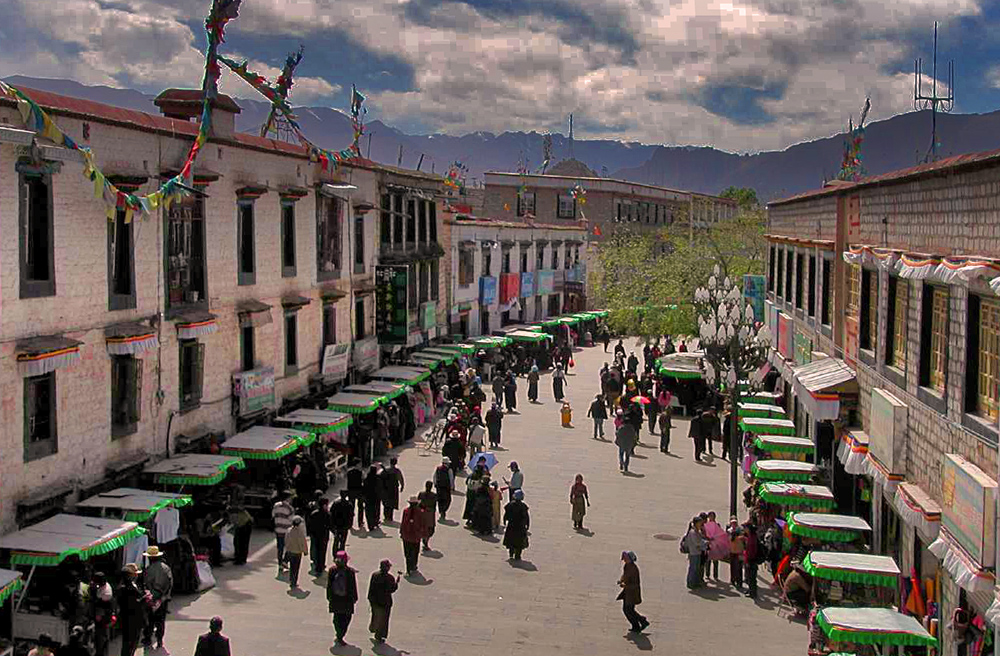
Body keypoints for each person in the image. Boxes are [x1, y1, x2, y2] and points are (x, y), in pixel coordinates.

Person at [141, 545, 173, 651]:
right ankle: (159, 640)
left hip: (151, 599)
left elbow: (146, 585)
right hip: (162, 599)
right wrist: (165, 596)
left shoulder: (148, 570)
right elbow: (170, 583)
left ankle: (148, 638)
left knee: (150, 620)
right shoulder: (166, 568)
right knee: (160, 621)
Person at [327, 551, 359, 646]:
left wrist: (329, 597)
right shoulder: (350, 572)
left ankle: (339, 633)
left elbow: (329, 585)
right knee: (346, 618)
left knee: (337, 618)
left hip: (335, 599)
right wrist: (355, 598)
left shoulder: (332, 570)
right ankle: (341, 635)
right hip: (347, 600)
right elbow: (353, 586)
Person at [368, 560, 400, 645]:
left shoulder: (375, 575)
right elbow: (391, 589)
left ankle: (373, 628)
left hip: (375, 601)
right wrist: (396, 583)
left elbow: (371, 588)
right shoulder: (390, 578)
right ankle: (379, 635)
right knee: (383, 620)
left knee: (375, 616)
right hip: (385, 602)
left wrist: (370, 599)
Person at [116, 564, 146, 656]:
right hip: (131, 620)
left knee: (130, 643)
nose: (136, 576)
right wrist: (143, 599)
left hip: (130, 619)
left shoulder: (129, 586)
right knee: (130, 643)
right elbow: (132, 605)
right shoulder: (127, 589)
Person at [617, 551, 649, 633]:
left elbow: (635, 584)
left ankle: (638, 624)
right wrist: (621, 580)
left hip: (632, 593)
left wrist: (625, 585)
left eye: (626, 558)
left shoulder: (634, 569)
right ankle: (641, 622)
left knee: (628, 610)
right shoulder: (627, 566)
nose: (624, 560)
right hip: (627, 592)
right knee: (628, 610)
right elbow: (624, 575)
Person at [88, 571, 115, 656]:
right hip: (99, 615)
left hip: (103, 617)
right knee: (98, 637)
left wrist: (98, 615)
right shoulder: (100, 585)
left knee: (101, 638)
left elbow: (102, 606)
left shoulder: (107, 593)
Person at [399, 497, 425, 575]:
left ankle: (408, 568)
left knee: (407, 553)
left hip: (406, 536)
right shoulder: (420, 512)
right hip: (415, 536)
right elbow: (422, 524)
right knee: (415, 552)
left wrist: (401, 532)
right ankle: (413, 566)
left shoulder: (406, 511)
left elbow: (403, 522)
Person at [681, 516, 708, 589]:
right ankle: (690, 583)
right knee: (693, 568)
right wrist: (705, 543)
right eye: (700, 523)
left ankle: (695, 582)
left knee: (696, 568)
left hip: (698, 552)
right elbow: (697, 542)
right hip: (694, 553)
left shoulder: (697, 531)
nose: (701, 524)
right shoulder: (693, 532)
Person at [502, 490, 530, 561]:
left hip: (511, 525)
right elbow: (526, 517)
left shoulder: (510, 505)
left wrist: (504, 520)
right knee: (519, 541)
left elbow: (506, 514)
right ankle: (518, 555)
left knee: (511, 539)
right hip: (520, 526)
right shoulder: (523, 506)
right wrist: (527, 524)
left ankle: (511, 552)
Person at [307, 498, 332, 576]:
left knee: (317, 551)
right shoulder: (327, 514)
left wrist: (310, 533)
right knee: (322, 552)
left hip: (315, 535)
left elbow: (309, 525)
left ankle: (318, 566)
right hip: (324, 535)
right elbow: (330, 525)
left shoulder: (314, 513)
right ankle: (321, 566)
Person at [702, 511, 729, 581]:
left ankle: (715, 575)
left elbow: (720, 533)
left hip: (716, 544)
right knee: (708, 560)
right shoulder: (706, 525)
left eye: (712, 516)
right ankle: (707, 574)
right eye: (710, 516)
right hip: (709, 543)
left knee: (716, 560)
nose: (711, 518)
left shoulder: (717, 525)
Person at [271, 492, 294, 571]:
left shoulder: (276, 505)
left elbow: (273, 515)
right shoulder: (290, 508)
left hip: (278, 529)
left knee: (280, 548)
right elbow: (291, 520)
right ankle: (285, 561)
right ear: (287, 498)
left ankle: (280, 563)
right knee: (289, 547)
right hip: (286, 530)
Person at [284, 515, 308, 589]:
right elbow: (302, 543)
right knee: (296, 568)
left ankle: (291, 580)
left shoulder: (289, 530)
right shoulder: (300, 532)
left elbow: (286, 540)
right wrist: (305, 551)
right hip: (297, 553)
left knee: (292, 567)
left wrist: (287, 548)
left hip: (290, 551)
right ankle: (294, 581)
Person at [380, 458, 405, 523]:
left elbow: (380, 478)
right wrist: (402, 486)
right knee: (392, 502)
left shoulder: (386, 470)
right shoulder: (397, 471)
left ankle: (386, 516)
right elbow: (401, 479)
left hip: (386, 489)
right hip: (394, 489)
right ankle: (390, 517)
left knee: (386, 502)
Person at [742, 519, 760, 599]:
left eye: (745, 528)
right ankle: (750, 590)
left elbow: (752, 551)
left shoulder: (752, 538)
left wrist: (748, 560)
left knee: (751, 577)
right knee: (748, 577)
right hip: (748, 559)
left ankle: (753, 593)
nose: (744, 529)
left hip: (751, 560)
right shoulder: (750, 536)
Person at [417, 481, 437, 549]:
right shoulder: (434, 495)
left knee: (423, 527)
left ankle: (424, 539)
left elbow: (418, 504)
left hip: (422, 513)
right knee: (430, 529)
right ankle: (426, 541)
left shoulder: (421, 494)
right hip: (430, 514)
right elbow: (434, 506)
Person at [727, 517, 746, 590]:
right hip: (732, 551)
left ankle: (739, 581)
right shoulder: (729, 531)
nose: (734, 524)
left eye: (735, 523)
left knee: (739, 567)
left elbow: (743, 540)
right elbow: (728, 540)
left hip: (739, 551)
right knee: (732, 566)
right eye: (732, 523)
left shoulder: (740, 531)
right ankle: (733, 580)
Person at [363, 465, 382, 531]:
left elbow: (364, 488)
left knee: (368, 512)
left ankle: (370, 525)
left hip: (368, 497)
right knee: (376, 511)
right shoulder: (377, 479)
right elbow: (380, 488)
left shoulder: (366, 479)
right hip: (376, 497)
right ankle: (375, 522)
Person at [346, 466, 366, 531]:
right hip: (359, 491)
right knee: (360, 507)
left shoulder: (349, 472)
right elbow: (363, 480)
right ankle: (360, 522)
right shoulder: (360, 472)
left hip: (351, 491)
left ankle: (350, 523)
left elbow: (345, 478)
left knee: (351, 507)